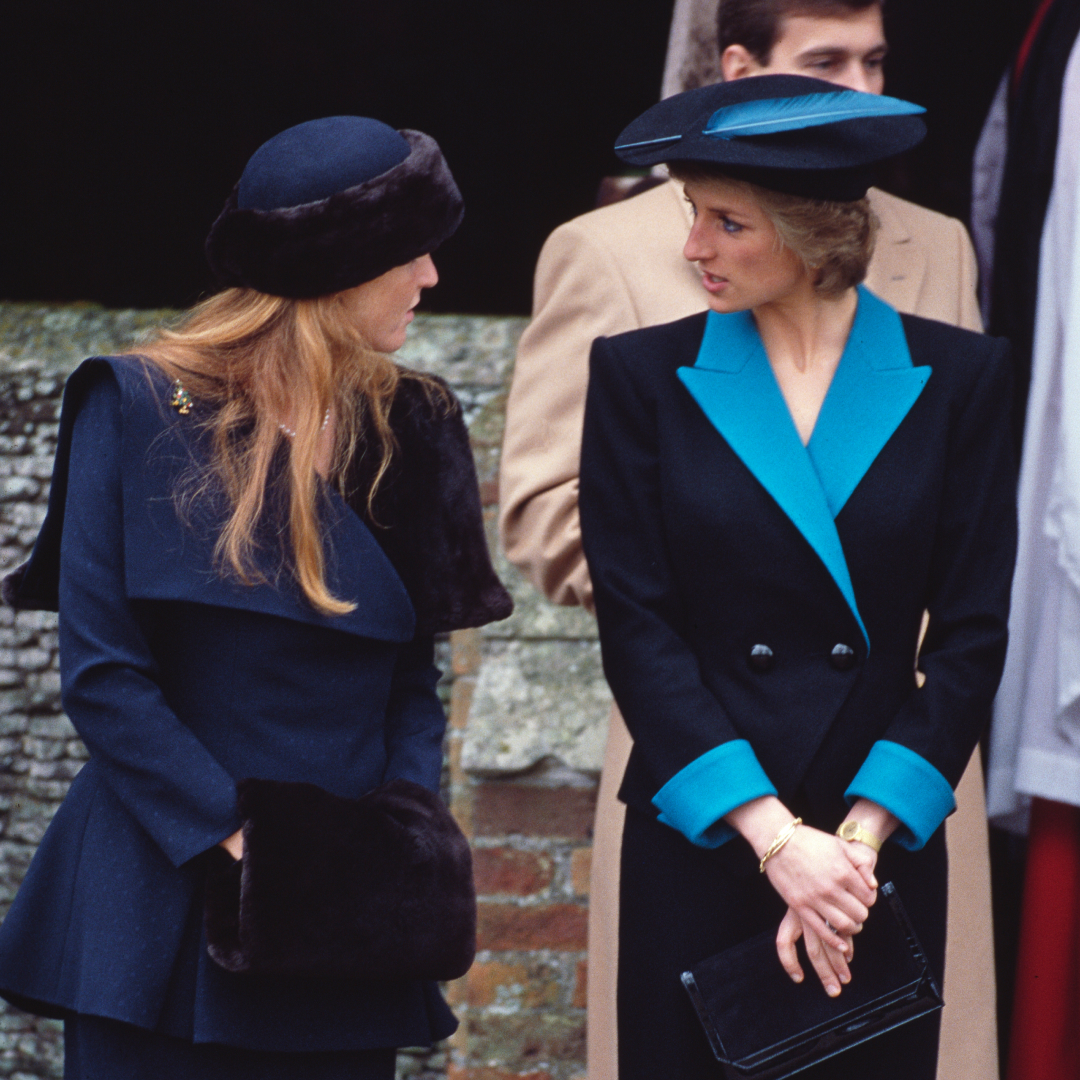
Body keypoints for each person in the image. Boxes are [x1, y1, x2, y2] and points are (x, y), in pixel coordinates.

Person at [498, 2, 996, 1077]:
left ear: (812, 234)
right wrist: (778, 842)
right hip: (709, 820)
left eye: (725, 221)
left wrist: (851, 849)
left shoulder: (961, 378)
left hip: (881, 843)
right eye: (691, 215)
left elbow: (972, 631)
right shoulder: (641, 374)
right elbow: (637, 626)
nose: (692, 247)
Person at [0, 115, 511, 1079]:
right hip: (162, 895)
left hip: (343, 918)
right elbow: (105, 679)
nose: (433, 278)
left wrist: (399, 842)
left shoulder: (416, 424)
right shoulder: (138, 406)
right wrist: (245, 843)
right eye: (412, 252)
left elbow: (413, 684)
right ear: (343, 267)